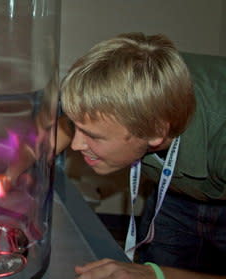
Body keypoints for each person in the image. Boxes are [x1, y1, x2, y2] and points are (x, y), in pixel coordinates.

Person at [60, 33, 226, 278]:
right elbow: (63, 126)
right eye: (77, 129)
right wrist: (6, 176)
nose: (74, 145)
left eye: (93, 136)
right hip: (174, 195)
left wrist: (155, 276)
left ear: (155, 131)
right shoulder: (140, 84)